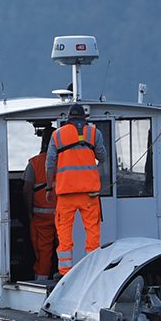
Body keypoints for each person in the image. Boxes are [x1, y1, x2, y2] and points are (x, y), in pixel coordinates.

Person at [46, 102, 104, 275]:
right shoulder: (94, 133)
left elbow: (50, 164)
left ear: (68, 118)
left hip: (66, 194)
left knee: (64, 234)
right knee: (92, 232)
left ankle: (65, 272)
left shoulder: (57, 135)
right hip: (89, 194)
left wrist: (49, 188)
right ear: (84, 118)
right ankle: (91, 269)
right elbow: (102, 156)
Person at [25, 122, 57, 282]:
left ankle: (41, 282)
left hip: (41, 217)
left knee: (43, 250)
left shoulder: (34, 163)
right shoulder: (65, 162)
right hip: (65, 214)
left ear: (43, 141)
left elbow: (27, 190)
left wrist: (28, 213)